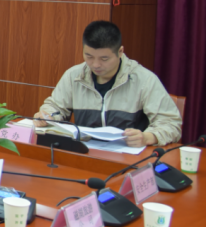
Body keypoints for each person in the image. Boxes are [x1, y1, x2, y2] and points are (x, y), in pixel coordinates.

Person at [33, 21, 182, 147]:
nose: (95, 64)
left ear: (120, 51)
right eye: (89, 56)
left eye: (104, 59)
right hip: (85, 153)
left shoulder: (144, 80)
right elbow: (55, 107)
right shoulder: (74, 76)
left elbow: (170, 123)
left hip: (129, 157)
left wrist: (148, 137)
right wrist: (47, 116)